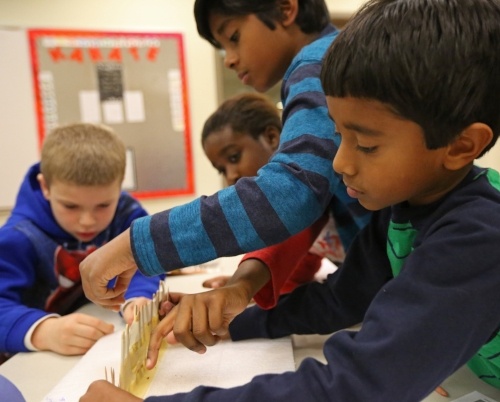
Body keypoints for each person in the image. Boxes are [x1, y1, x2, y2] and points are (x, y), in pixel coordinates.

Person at [80, 0, 500, 400]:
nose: (339, 163)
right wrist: (235, 319)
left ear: (461, 145)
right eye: (338, 135)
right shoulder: (402, 210)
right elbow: (340, 299)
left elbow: (355, 387)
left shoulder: (478, 235)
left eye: (366, 146)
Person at [80, 0, 369, 321]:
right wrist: (241, 286)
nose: (229, 60)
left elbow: (290, 193)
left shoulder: (315, 62)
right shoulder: (322, 62)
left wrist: (139, 243)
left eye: (233, 37)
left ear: (286, 9)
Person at [0, 123, 161, 359]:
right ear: (45, 187)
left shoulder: (128, 215)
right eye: (71, 206)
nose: (87, 221)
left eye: (104, 205)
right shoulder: (18, 237)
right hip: (30, 362)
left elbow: (145, 264)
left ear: (119, 186)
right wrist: (44, 331)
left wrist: (137, 298)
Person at [200, 92, 343, 301]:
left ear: (271, 138)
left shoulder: (322, 187)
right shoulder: (288, 216)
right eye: (221, 169)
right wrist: (248, 284)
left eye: (234, 157)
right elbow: (298, 267)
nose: (230, 175)